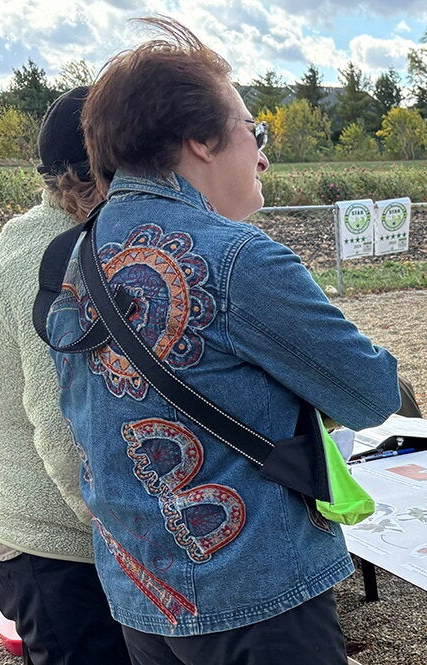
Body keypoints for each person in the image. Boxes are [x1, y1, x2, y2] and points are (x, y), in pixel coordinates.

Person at [43, 17, 399, 664]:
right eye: (251, 130)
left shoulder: (72, 259)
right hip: (259, 602)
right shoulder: (238, 258)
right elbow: (371, 392)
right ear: (201, 141)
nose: (262, 154)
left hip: (142, 597)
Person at [0, 88, 132, 664]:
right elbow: (66, 438)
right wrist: (145, 547)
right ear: (104, 176)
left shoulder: (29, 233)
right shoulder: (60, 263)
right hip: (57, 551)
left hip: (15, 522)